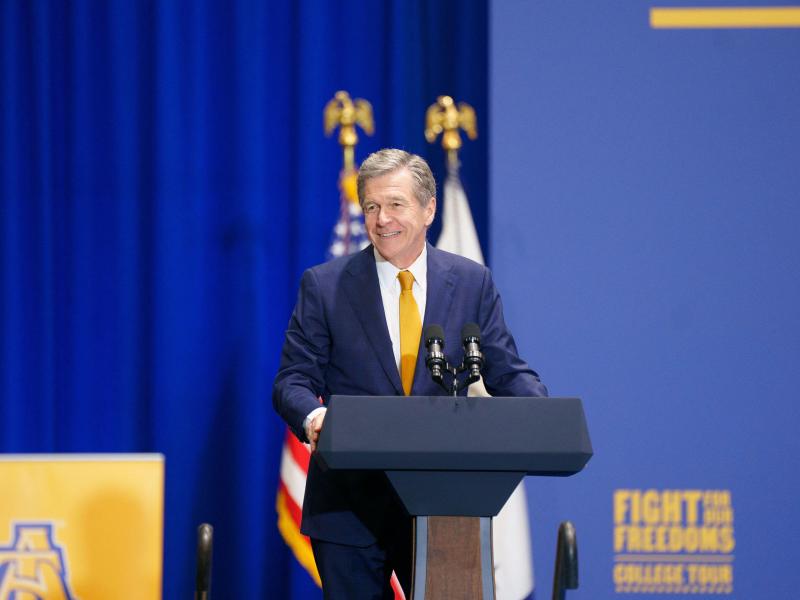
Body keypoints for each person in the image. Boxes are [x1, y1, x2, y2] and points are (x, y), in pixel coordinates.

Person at [273, 148, 546, 599]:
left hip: (443, 504)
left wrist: (542, 416)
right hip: (349, 505)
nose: (382, 219)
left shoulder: (471, 281)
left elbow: (506, 371)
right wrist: (314, 418)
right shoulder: (324, 286)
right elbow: (292, 381)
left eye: (396, 204)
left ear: (428, 209)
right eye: (373, 207)